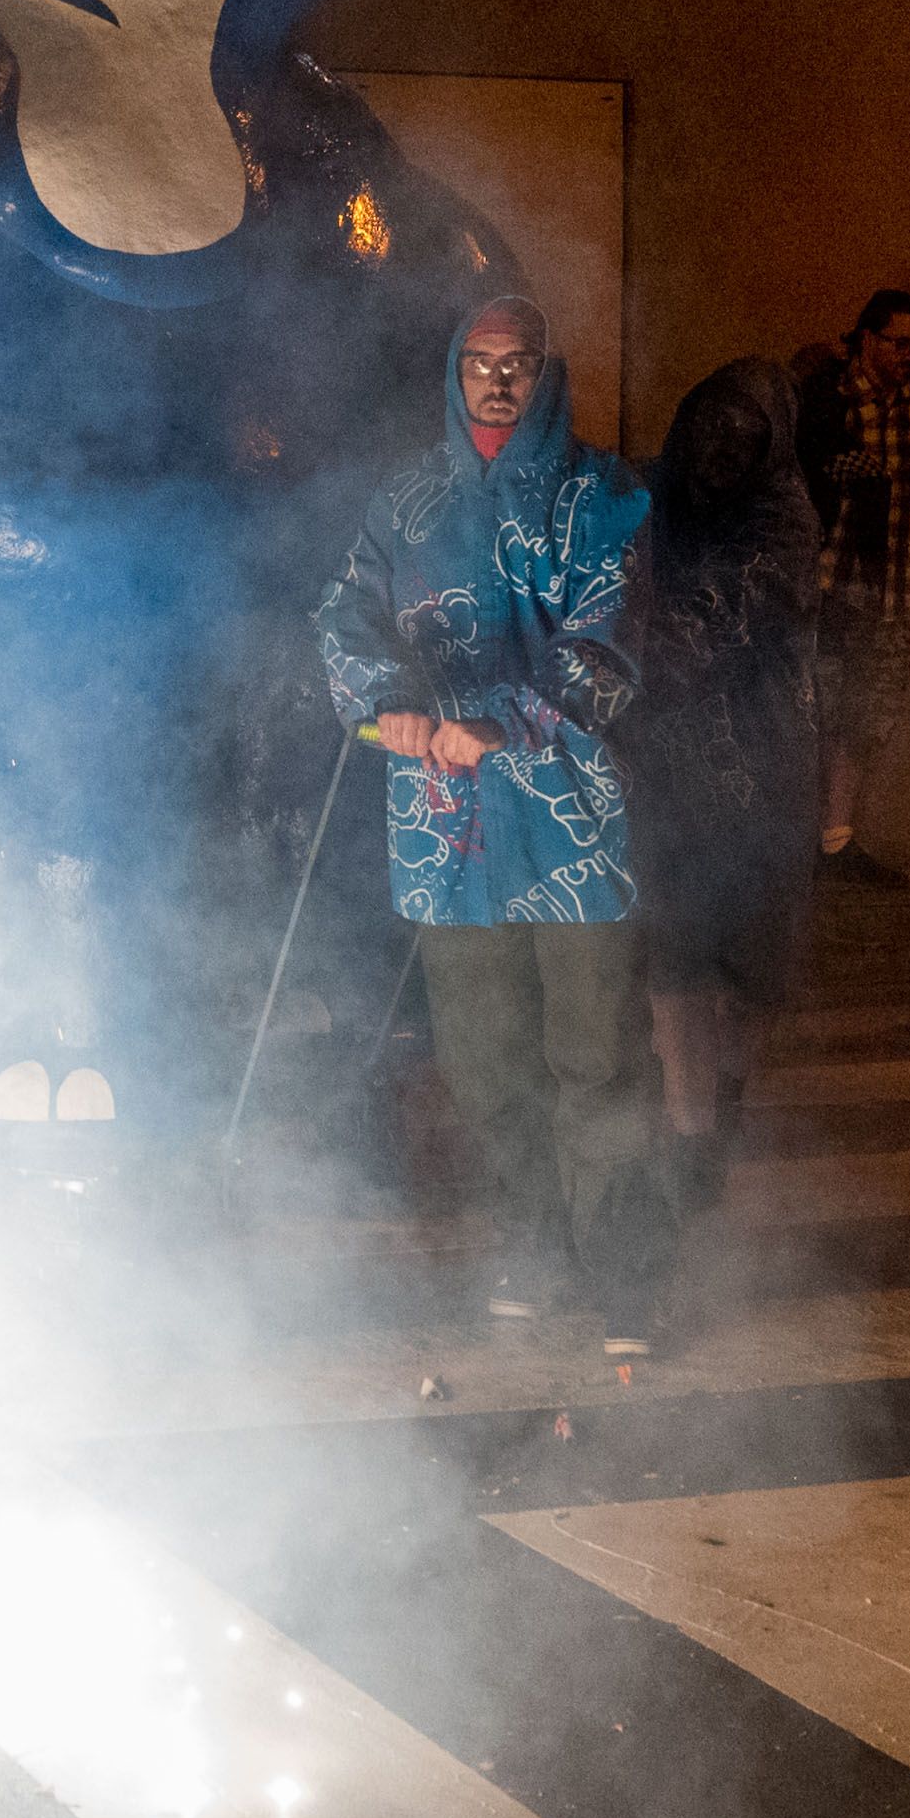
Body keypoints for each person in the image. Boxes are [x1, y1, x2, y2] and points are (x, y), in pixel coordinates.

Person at [314, 299, 650, 1339]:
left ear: (546, 375)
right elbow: (342, 612)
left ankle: (622, 1270)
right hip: (444, 830)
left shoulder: (606, 493)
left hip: (574, 829)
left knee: (594, 1056)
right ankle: (532, 1248)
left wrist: (501, 721)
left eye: (517, 365)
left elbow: (607, 638)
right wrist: (384, 703)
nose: (497, 382)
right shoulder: (404, 501)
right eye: (479, 365)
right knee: (483, 1063)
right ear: (454, 375)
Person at [630, 356, 817, 1331]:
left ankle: (723, 1104)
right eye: (704, 437)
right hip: (669, 775)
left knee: (748, 966)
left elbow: (718, 623)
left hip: (759, 774)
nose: (716, 460)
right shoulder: (650, 498)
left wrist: (594, 675)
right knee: (676, 953)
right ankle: (689, 1128)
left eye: (737, 445)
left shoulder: (780, 522)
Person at [799, 287, 910, 882]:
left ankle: (838, 843)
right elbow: (800, 469)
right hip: (827, 584)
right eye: (899, 343)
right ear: (867, 339)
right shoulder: (825, 396)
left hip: (895, 586)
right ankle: (795, 845)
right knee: (814, 711)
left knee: (867, 717)